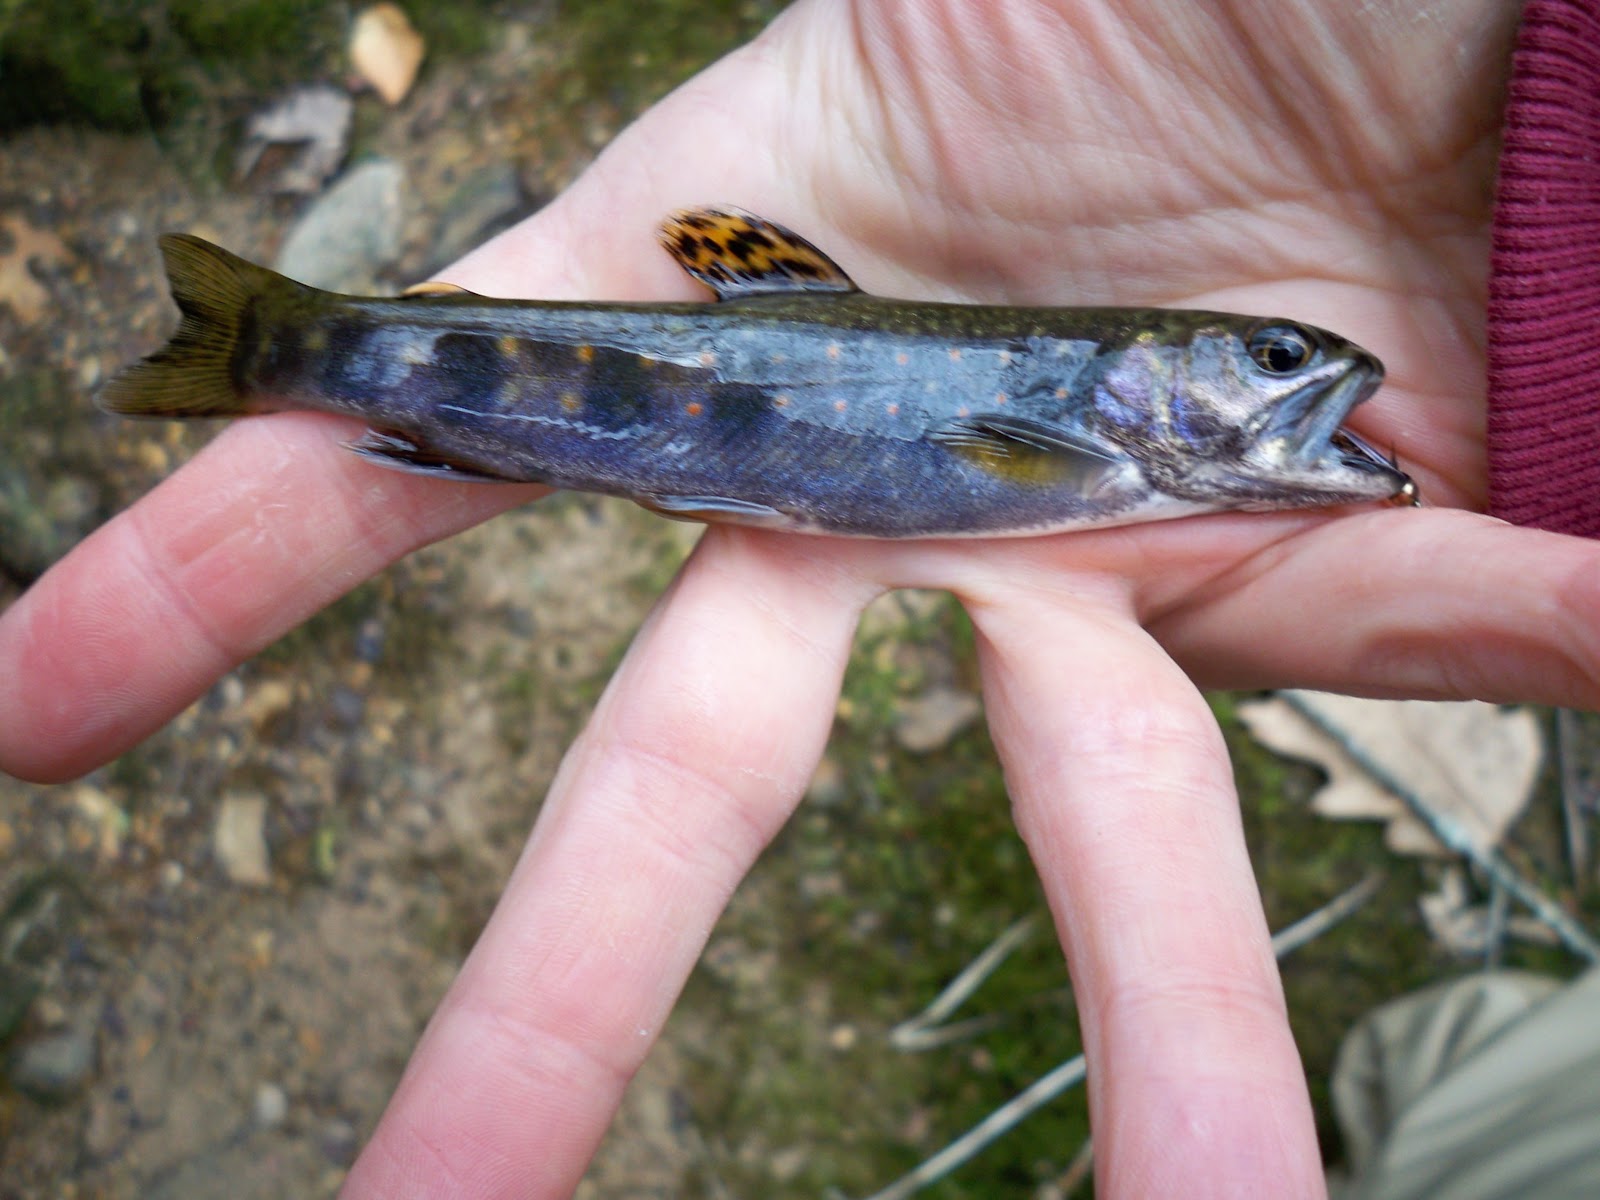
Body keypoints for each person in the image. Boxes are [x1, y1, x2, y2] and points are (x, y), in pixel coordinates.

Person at [1, 1, 1596, 1195]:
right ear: (1144, 372)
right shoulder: (1091, 438)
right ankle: (274, 342)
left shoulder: (1117, 447)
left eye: (1282, 367)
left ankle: (285, 343)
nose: (1306, 384)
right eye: (1270, 362)